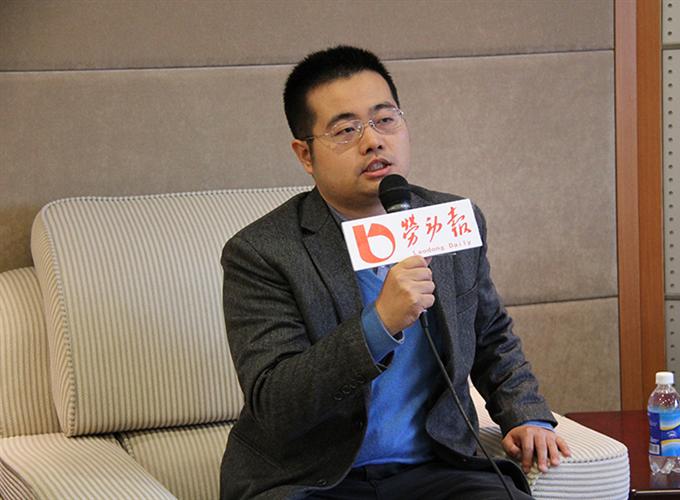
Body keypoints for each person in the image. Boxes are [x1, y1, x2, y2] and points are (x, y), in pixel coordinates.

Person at [220, 45, 570, 500]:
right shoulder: (261, 252)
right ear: (305, 154)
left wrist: (525, 415)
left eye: (385, 119)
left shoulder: (449, 221)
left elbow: (490, 335)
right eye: (346, 129)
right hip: (315, 480)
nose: (373, 141)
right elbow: (276, 403)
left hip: (437, 469)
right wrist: (380, 324)